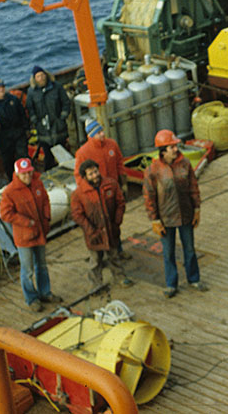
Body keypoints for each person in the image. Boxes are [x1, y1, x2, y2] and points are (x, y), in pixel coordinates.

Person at [143, 129, 207, 298]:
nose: (176, 149)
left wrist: (197, 209)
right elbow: (149, 197)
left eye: (176, 146)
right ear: (163, 150)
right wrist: (154, 219)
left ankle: (194, 279)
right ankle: (171, 284)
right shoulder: (153, 170)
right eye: (172, 147)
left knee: (190, 249)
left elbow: (193, 187)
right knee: (168, 253)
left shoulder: (185, 164)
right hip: (165, 219)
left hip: (186, 215)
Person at [0, 158, 61, 311]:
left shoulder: (37, 183)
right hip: (24, 237)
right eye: (24, 174)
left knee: (42, 265)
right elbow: (6, 214)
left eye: (29, 173)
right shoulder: (9, 192)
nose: (27, 176)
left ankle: (45, 293)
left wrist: (47, 217)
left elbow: (45, 200)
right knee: (27, 270)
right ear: (17, 174)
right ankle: (31, 299)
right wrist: (26, 222)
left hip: (40, 232)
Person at [74, 118, 130, 260]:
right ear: (90, 136)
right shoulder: (83, 152)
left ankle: (118, 250)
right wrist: (88, 194)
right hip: (96, 196)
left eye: (102, 131)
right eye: (98, 133)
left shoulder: (112, 145)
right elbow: (78, 176)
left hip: (112, 192)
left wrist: (123, 183)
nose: (102, 134)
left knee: (115, 223)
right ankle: (99, 256)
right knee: (97, 226)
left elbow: (119, 163)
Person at [71, 159, 133, 288]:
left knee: (114, 255)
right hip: (93, 234)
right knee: (95, 260)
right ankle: (96, 284)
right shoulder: (78, 194)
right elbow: (77, 215)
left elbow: (120, 203)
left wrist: (116, 222)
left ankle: (120, 277)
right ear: (84, 177)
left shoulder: (111, 184)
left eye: (95, 171)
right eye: (91, 174)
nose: (95, 175)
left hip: (111, 229)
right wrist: (90, 230)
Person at [26, 65, 71, 169]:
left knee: (62, 152)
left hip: (58, 127)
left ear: (46, 75)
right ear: (34, 79)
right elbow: (30, 108)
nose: (41, 78)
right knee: (48, 155)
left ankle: (66, 170)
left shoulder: (57, 87)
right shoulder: (31, 92)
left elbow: (66, 102)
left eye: (42, 75)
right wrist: (34, 120)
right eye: (38, 76)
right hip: (43, 130)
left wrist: (63, 116)